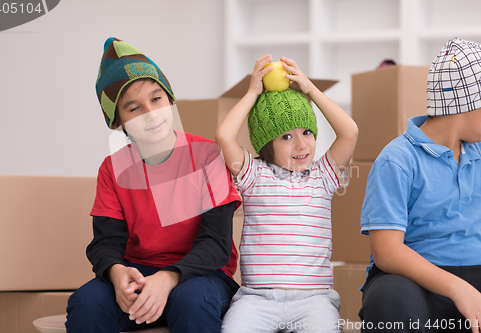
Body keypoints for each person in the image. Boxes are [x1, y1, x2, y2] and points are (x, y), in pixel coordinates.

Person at [65, 37, 242, 333]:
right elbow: (106, 242)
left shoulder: (207, 156)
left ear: (170, 99)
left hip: (203, 276)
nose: (150, 113)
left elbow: (217, 245)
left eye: (156, 99)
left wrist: (169, 277)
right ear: (118, 121)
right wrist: (116, 272)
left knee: (192, 302)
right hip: (140, 276)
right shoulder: (113, 169)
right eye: (133, 108)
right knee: (87, 302)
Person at [216, 55, 359, 332]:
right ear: (266, 145)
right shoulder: (253, 174)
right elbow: (224, 135)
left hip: (313, 300)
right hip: (256, 300)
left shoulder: (322, 176)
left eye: (307, 131)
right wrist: (252, 93)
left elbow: (350, 131)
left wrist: (310, 89)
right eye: (286, 137)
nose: (301, 144)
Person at [359, 37, 481, 333]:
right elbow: (387, 252)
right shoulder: (397, 160)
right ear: (467, 106)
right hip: (414, 280)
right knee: (389, 303)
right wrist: (457, 287)